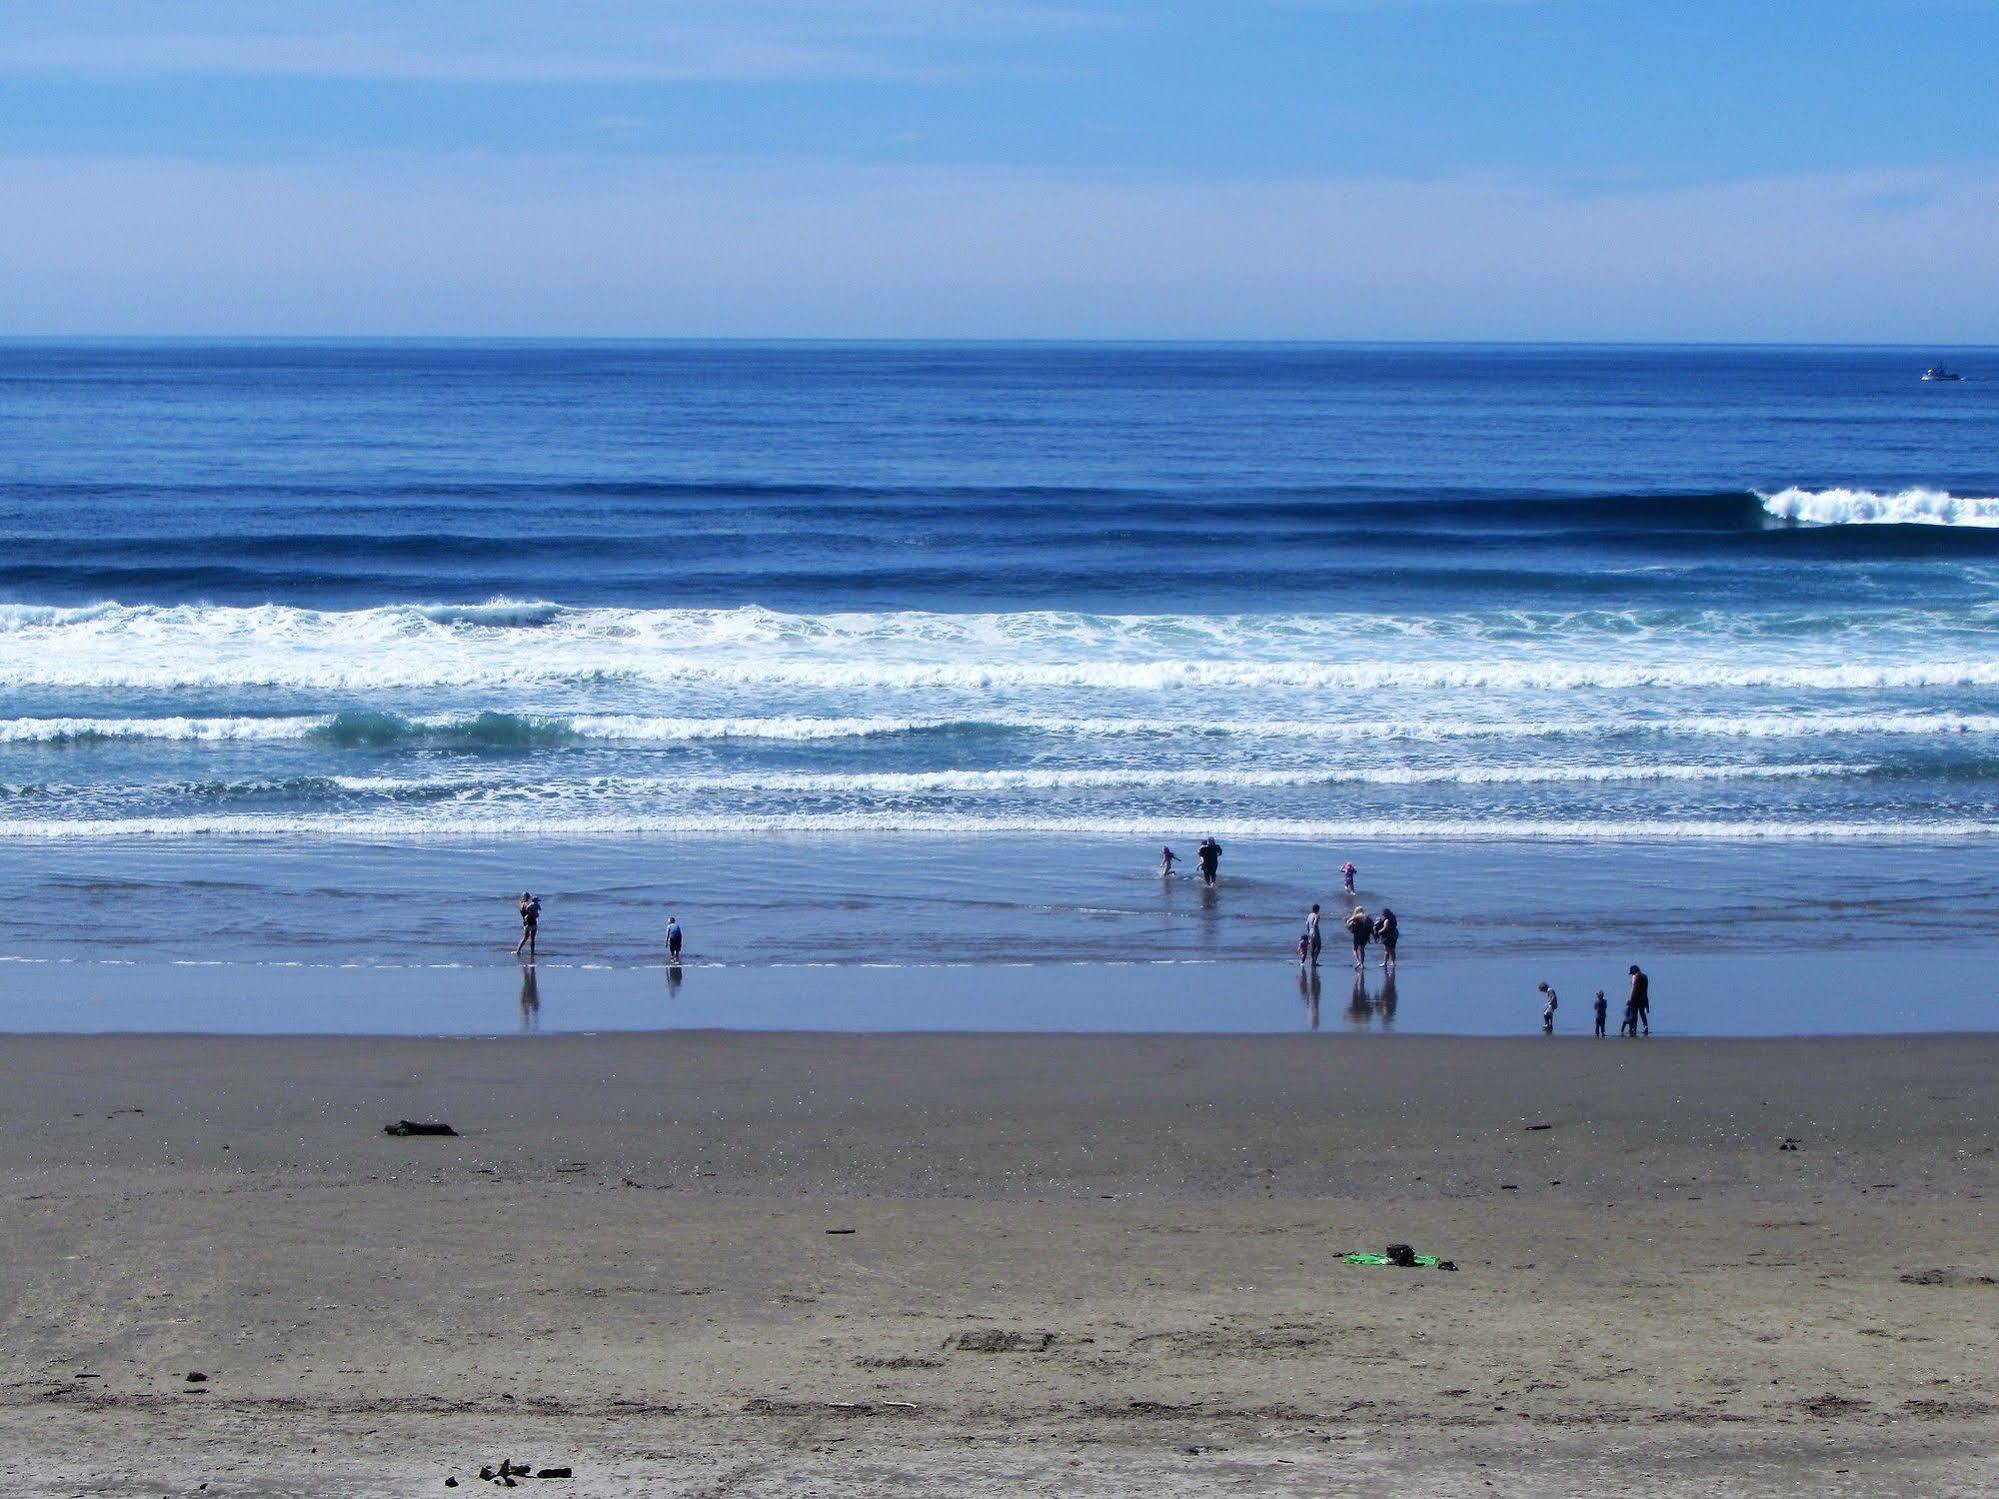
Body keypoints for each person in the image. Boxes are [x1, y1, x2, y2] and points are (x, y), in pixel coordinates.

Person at [515, 891, 541, 958]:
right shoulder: (527, 904)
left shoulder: (521, 904)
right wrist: (535, 914)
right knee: (532, 938)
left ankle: (518, 950)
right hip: (532, 922)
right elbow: (531, 912)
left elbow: (524, 914)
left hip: (525, 923)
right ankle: (532, 952)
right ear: (527, 897)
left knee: (525, 937)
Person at [1345, 905, 1372, 969]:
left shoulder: (1356, 916)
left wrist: (1348, 923)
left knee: (1354, 949)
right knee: (1362, 949)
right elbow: (1371, 925)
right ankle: (1362, 964)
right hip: (1365, 935)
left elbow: (1348, 923)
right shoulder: (1367, 917)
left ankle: (1358, 961)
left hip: (1357, 935)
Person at [1628, 964, 1651, 1036]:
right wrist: (1647, 1004)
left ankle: (1634, 1029)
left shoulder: (1636, 976)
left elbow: (1634, 990)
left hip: (1635, 999)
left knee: (1634, 1014)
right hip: (1643, 998)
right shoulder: (1645, 976)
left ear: (1634, 970)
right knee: (1642, 1013)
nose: (1632, 974)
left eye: (1632, 973)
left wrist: (1631, 1000)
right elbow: (1645, 990)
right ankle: (1646, 1027)